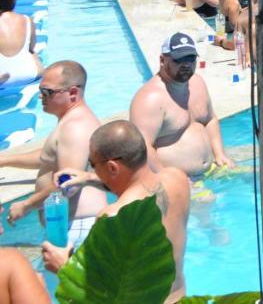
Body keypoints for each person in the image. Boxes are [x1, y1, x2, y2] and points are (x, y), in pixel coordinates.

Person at [43, 122, 191, 303]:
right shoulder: (177, 178)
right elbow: (137, 186)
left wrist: (63, 266)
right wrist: (89, 178)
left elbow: (97, 294)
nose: (92, 169)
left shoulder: (113, 216)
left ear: (113, 167)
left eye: (92, 164)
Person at [0, 61, 105, 248]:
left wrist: (27, 205)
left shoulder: (75, 128)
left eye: (48, 92)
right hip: (72, 225)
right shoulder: (71, 122)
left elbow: (68, 183)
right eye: (40, 90)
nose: (41, 96)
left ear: (72, 93)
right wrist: (5, 160)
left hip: (77, 226)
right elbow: (48, 156)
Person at [129, 32, 232, 176]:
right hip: (179, 180)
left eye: (190, 58)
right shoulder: (149, 99)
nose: (186, 65)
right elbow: (141, 148)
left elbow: (210, 120)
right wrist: (170, 180)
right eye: (179, 60)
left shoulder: (198, 83)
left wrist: (219, 154)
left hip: (213, 168)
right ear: (162, 60)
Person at [0, 0, 39, 90]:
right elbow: (32, 47)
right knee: (32, 51)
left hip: (3, 78)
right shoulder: (27, 19)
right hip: (29, 75)